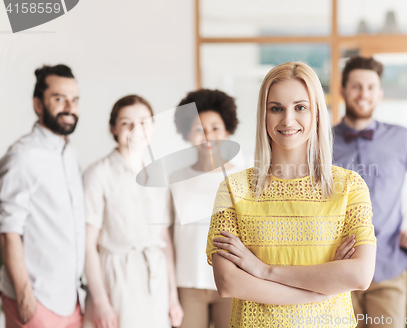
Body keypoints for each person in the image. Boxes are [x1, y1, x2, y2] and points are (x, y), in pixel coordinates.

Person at [205, 62, 377, 328]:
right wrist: (319, 288)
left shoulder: (349, 187)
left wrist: (263, 270)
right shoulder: (233, 189)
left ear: (317, 113)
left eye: (300, 107)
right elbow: (228, 282)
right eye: (276, 108)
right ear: (264, 114)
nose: (287, 119)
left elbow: (360, 275)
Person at [332, 56, 407, 328]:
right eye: (356, 86)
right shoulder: (321, 142)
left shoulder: (400, 139)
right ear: (342, 90)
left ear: (380, 93)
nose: (363, 94)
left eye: (370, 87)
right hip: (334, 270)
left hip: (387, 270)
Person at [83, 95, 183, 328]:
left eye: (144, 122)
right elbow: (88, 244)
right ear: (114, 128)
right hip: (117, 278)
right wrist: (101, 302)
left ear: (153, 126)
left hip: (155, 279)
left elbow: (164, 239)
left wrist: (173, 296)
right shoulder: (99, 173)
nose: (136, 129)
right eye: (127, 122)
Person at [0, 64, 85, 328]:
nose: (69, 107)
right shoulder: (22, 156)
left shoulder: (69, 154)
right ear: (38, 104)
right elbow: (7, 231)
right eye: (59, 99)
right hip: (36, 301)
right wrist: (25, 296)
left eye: (74, 100)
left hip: (71, 300)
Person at [170, 89, 243, 328]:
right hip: (189, 281)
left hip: (233, 279)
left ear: (227, 131)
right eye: (199, 130)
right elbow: (169, 234)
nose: (208, 136)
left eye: (215, 128)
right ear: (187, 134)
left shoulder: (244, 177)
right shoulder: (176, 178)